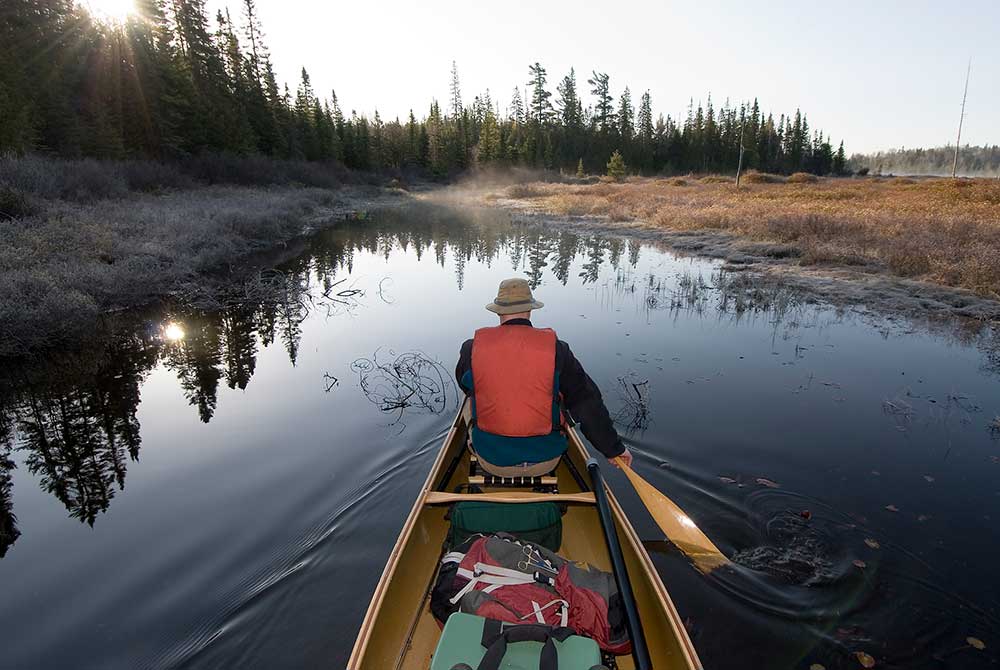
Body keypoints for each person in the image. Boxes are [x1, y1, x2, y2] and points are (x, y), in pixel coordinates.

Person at [455, 277, 632, 477]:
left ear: (498, 311)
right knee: (566, 395)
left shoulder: (472, 348)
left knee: (470, 398)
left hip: (492, 461)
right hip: (547, 461)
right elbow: (587, 404)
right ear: (531, 309)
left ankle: (474, 442)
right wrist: (614, 449)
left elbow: (465, 385)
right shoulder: (558, 349)